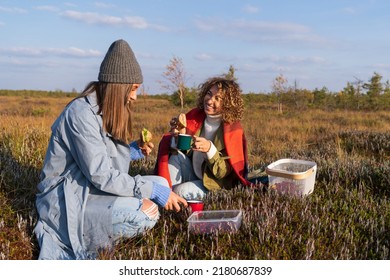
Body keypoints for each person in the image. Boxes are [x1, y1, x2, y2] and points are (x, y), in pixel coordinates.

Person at [34, 39, 187, 260]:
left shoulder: (103, 110)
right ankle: (95, 240)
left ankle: (110, 220)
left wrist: (133, 151)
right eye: (133, 89)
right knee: (146, 213)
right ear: (119, 86)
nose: (134, 96)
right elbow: (101, 175)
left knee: (162, 183)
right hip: (69, 199)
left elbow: (99, 158)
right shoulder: (80, 114)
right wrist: (152, 193)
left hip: (90, 188)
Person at [155, 77, 252, 200]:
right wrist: (179, 135)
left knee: (179, 192)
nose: (210, 101)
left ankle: (169, 199)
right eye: (209, 94)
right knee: (176, 157)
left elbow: (222, 173)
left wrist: (210, 150)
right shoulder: (196, 116)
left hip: (213, 184)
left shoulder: (232, 130)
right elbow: (185, 152)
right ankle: (167, 195)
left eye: (218, 98)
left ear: (228, 104)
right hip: (194, 172)